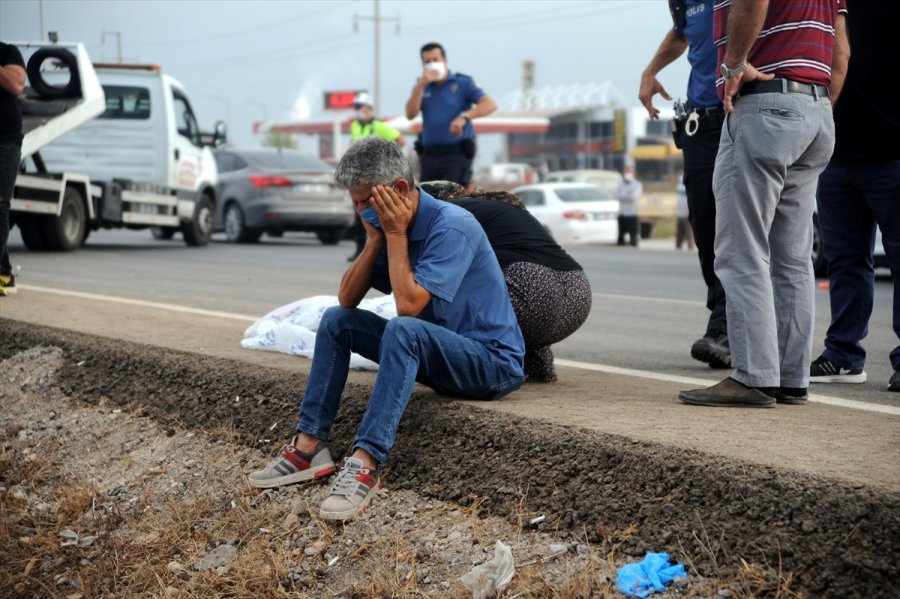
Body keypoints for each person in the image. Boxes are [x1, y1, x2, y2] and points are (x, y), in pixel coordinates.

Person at [247, 137, 525, 521]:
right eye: (355, 202)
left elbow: (408, 306)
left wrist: (393, 235)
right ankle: (309, 447)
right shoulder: (388, 228)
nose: (360, 210)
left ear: (397, 190)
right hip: (439, 354)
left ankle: (366, 462)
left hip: (490, 363)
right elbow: (346, 299)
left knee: (403, 328)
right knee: (336, 320)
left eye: (366, 201)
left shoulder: (452, 227)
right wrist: (375, 238)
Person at [679, 0, 848, 408]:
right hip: (816, 109)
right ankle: (791, 379)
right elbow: (841, 52)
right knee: (792, 257)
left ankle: (754, 377)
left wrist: (734, 65)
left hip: (764, 104)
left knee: (742, 250)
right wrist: (813, 108)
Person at [809, 0, 900, 392]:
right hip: (836, 152)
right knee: (844, 260)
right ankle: (843, 354)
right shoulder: (826, 2)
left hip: (892, 153)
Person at [421, 180, 593, 383]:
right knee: (520, 299)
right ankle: (540, 369)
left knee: (450, 293)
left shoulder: (448, 213)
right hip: (577, 292)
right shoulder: (500, 206)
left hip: (532, 287)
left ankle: (480, 373)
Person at [639, 0, 729, 368]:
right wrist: (651, 70)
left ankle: (727, 328)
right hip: (700, 125)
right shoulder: (684, 2)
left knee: (736, 231)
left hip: (741, 115)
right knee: (706, 230)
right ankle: (723, 322)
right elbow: (682, 33)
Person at [404, 42, 496, 187]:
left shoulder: (462, 83)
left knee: (453, 199)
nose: (432, 64)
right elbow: (410, 114)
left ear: (445, 60)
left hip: (456, 154)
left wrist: (464, 117)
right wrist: (421, 84)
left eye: (435, 60)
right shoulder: (421, 87)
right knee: (427, 199)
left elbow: (489, 104)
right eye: (427, 61)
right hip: (430, 156)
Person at [347, 91, 405, 262]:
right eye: (356, 107)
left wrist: (385, 160)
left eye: (360, 106)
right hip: (358, 175)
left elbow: (401, 141)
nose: (357, 110)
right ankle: (360, 251)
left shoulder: (379, 126)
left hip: (375, 176)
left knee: (377, 211)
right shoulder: (355, 125)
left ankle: (383, 251)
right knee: (360, 212)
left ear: (369, 108)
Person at [0, 41, 25, 298]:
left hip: (5, 142)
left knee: (0, 207)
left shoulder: (8, 52)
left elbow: (16, 84)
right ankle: (5, 274)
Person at [615, 164, 641, 247]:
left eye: (629, 171)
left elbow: (634, 197)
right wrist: (627, 195)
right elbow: (616, 195)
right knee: (620, 237)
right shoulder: (620, 184)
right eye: (626, 171)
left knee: (633, 237)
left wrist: (623, 195)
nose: (627, 173)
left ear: (633, 173)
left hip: (632, 213)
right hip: (622, 213)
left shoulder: (637, 184)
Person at [675, 177, 694, 250]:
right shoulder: (680, 186)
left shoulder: (684, 187)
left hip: (686, 211)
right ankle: (678, 244)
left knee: (687, 229)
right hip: (681, 211)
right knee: (680, 229)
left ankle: (689, 244)